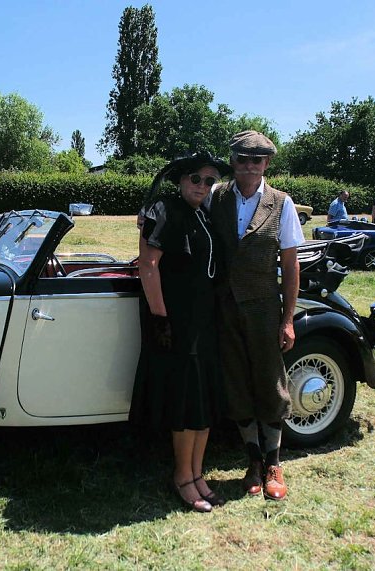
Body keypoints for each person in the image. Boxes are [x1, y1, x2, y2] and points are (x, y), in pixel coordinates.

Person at [129, 152, 231, 513]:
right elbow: (148, 264)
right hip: (177, 321)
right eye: (196, 179)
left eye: (209, 181)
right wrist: (161, 319)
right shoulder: (163, 209)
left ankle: (198, 473)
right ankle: (182, 477)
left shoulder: (204, 213)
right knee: (186, 401)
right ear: (181, 180)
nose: (203, 186)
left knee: (203, 398)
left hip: (205, 319)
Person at [209, 131, 305, 501]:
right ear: (232, 161)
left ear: (266, 164)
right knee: (236, 380)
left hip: (265, 307)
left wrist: (288, 319)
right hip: (224, 307)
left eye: (257, 160)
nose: (249, 166)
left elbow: (290, 265)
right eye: (242, 159)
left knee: (269, 382)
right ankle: (252, 460)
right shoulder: (215, 197)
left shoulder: (281, 204)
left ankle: (274, 463)